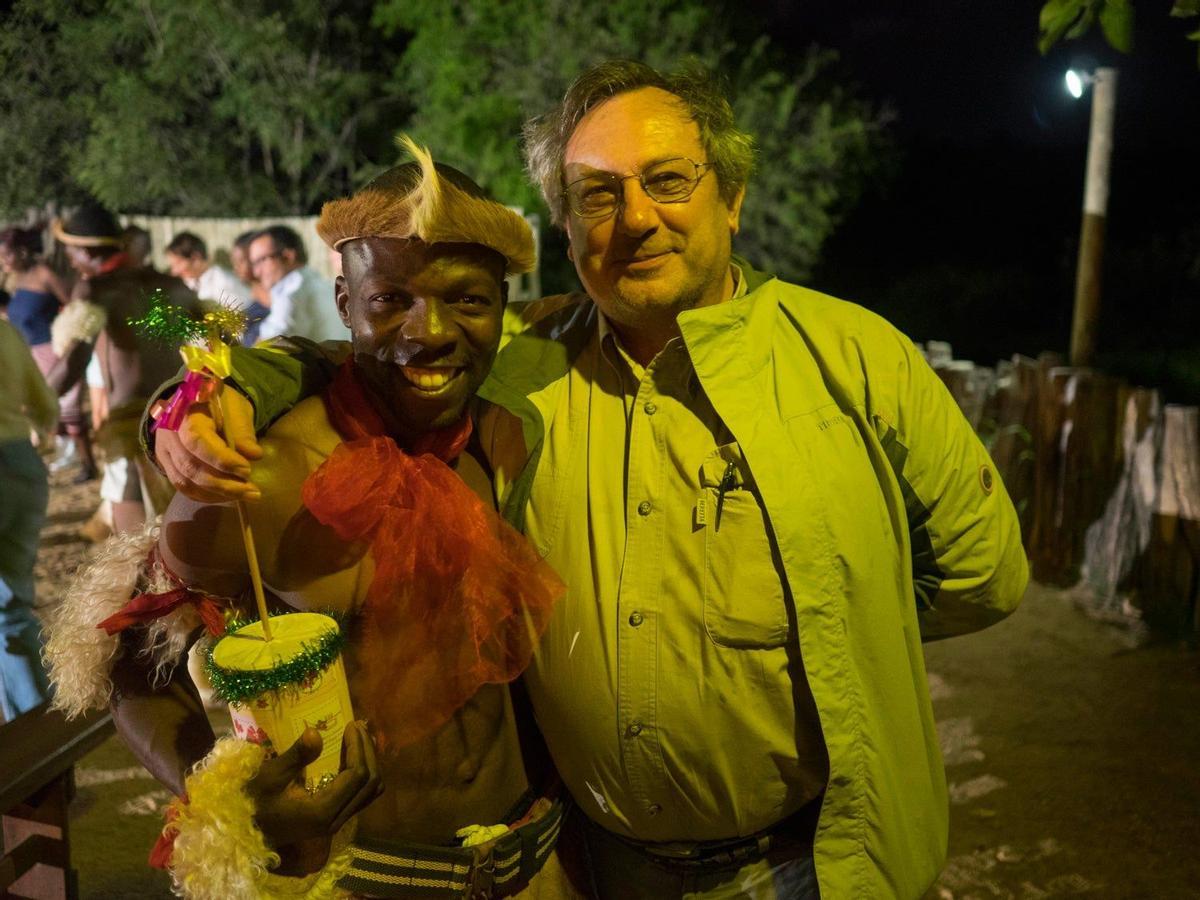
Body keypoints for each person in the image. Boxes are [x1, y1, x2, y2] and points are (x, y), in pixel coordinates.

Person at [150, 61, 1029, 899]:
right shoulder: (526, 363)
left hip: (796, 864)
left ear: (733, 196)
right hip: (590, 866)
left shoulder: (855, 357)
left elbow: (982, 576)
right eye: (597, 195)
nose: (635, 219)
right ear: (567, 233)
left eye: (669, 180)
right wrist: (202, 392)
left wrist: (830, 618)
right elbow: (370, 355)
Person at [46, 145, 581, 899]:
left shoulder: (506, 431)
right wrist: (228, 795)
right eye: (390, 299)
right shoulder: (271, 476)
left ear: (505, 305)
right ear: (345, 300)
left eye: (467, 301)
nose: (430, 332)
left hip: (540, 871)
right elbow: (132, 653)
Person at [50, 203, 199, 534]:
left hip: (133, 425)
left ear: (83, 249)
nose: (70, 259)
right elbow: (222, 340)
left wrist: (34, 400)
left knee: (133, 548)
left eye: (71, 250)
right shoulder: (171, 284)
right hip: (183, 416)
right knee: (181, 522)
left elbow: (74, 360)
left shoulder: (96, 290)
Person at [0, 226, 97, 482]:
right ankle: (67, 453)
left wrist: (69, 337)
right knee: (43, 406)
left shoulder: (43, 274)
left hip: (53, 349)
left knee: (67, 406)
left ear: (21, 252)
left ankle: (88, 463)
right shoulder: (15, 280)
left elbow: (72, 303)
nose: (2, 261)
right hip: (30, 352)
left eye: (5, 255)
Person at [0, 317, 58, 720]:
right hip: (21, 465)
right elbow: (47, 407)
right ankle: (39, 749)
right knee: (10, 610)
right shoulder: (6, 331)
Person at [248, 225, 347, 343]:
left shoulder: (291, 292)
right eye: (254, 264)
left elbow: (267, 348)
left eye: (261, 260)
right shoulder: (324, 285)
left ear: (288, 256)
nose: (256, 272)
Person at [165, 231, 253, 309]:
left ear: (196, 258)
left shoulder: (225, 283)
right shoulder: (187, 283)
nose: (174, 272)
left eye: (178, 264)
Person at [231, 230, 273, 346]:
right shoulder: (251, 311)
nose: (236, 268)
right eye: (234, 262)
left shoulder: (283, 298)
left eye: (240, 261)